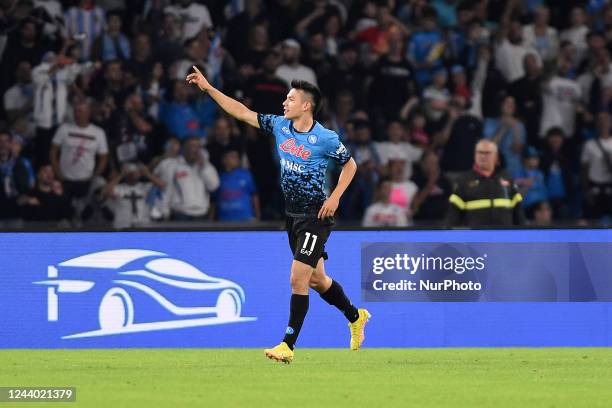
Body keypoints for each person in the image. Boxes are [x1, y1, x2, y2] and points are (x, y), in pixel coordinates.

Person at [186, 66, 370, 363]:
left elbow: (350, 165)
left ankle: (287, 345)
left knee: (298, 278)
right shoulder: (280, 126)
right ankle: (355, 315)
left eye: (290, 99)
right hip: (292, 215)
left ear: (306, 105)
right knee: (316, 280)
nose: (285, 103)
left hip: (316, 216)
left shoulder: (325, 138)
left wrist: (335, 197)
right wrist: (208, 88)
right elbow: (242, 112)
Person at [446, 139, 525, 227]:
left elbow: (518, 213)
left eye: (487, 153)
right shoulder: (463, 181)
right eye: (479, 152)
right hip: (475, 238)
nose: (483, 156)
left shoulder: (507, 178)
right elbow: (453, 217)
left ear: (496, 156)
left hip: (504, 238)